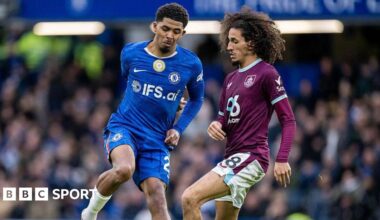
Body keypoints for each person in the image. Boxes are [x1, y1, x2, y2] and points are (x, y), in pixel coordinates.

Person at [81, 3, 204, 220]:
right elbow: (130, 82)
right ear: (154, 26)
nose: (170, 35)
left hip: (158, 139)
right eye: (165, 29)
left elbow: (196, 99)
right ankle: (89, 214)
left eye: (176, 31)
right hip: (125, 126)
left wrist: (178, 128)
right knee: (124, 169)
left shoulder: (191, 64)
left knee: (157, 195)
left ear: (183, 33)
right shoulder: (131, 53)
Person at [182, 8, 296, 220]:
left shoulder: (267, 73)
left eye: (234, 41)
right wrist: (216, 125)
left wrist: (282, 158)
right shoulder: (230, 79)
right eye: (228, 41)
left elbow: (288, 119)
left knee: (189, 198)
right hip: (232, 157)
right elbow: (224, 120)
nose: (228, 47)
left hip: (251, 156)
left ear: (250, 43)